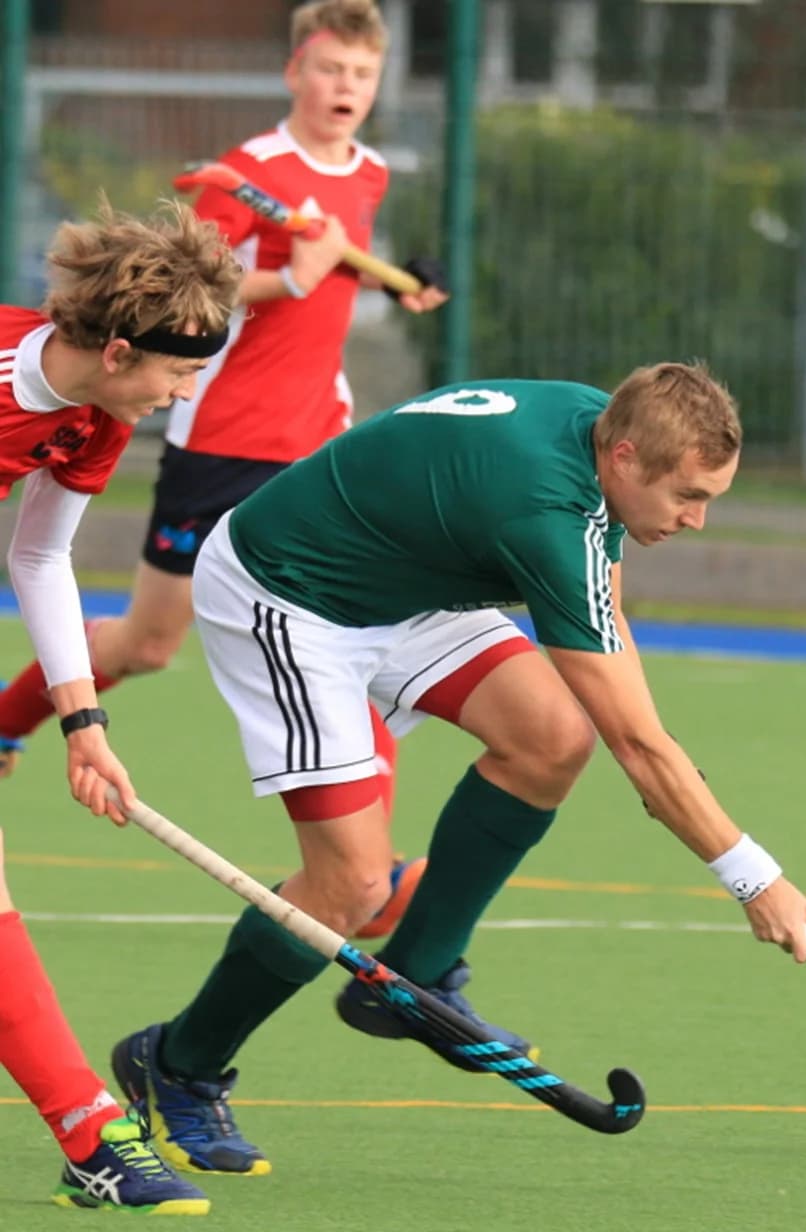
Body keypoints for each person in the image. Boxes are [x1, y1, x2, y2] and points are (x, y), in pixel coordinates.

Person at [110, 363, 806, 1177]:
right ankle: (177, 1064)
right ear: (625, 458)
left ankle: (408, 980)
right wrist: (753, 878)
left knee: (552, 736)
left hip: (398, 583)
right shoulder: (540, 510)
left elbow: (604, 617)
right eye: (688, 497)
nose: (698, 520)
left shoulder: (601, 426)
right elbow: (642, 749)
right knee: (347, 884)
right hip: (290, 595)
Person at [0, 2, 445, 937]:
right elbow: (194, 297)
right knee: (151, 643)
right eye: (330, 71)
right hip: (222, 435)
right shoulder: (246, 177)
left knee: (356, 637)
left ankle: (368, 871)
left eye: (363, 77)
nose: (346, 92)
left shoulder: (363, 174)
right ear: (295, 72)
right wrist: (300, 273)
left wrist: (392, 275)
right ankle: (9, 717)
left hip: (317, 437)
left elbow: (334, 273)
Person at [1, 198, 242, 1212]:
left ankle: (89, 1129)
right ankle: (92, 1129)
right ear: (114, 347)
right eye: (177, 374)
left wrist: (82, 721)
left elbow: (38, 554)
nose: (183, 395)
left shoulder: (95, 416)